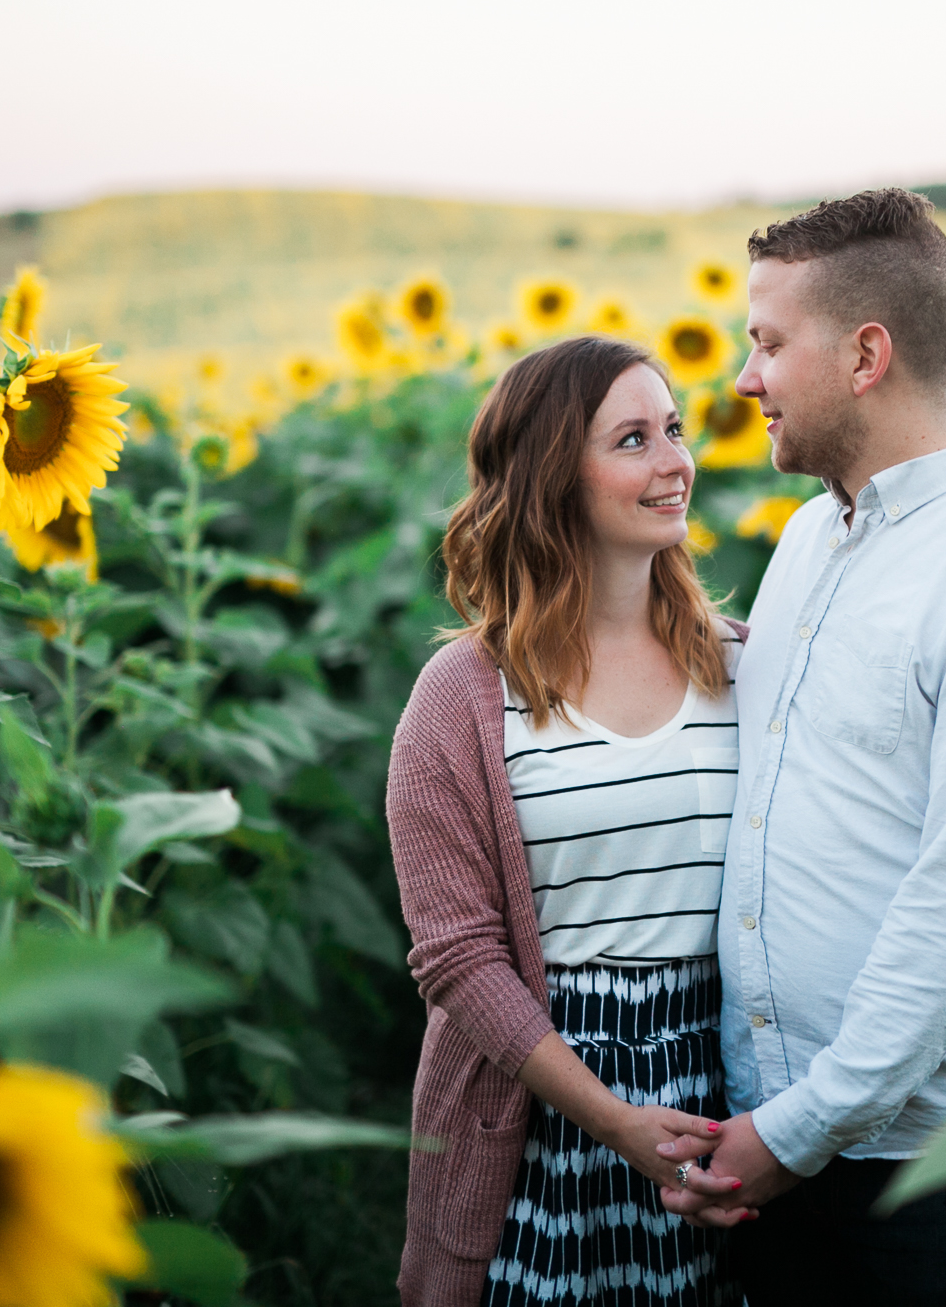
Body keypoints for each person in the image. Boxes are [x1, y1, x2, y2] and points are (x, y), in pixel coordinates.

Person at [655, 188, 946, 1306]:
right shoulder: (814, 535)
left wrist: (795, 1129)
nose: (741, 379)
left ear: (865, 355)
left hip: (941, 1170)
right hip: (779, 1140)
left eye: (766, 343)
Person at [386, 335, 749, 1307]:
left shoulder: (744, 670)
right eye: (632, 439)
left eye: (671, 429)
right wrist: (613, 1119)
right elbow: (456, 957)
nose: (673, 461)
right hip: (541, 1106)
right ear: (552, 476)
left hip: (726, 1098)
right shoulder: (458, 698)